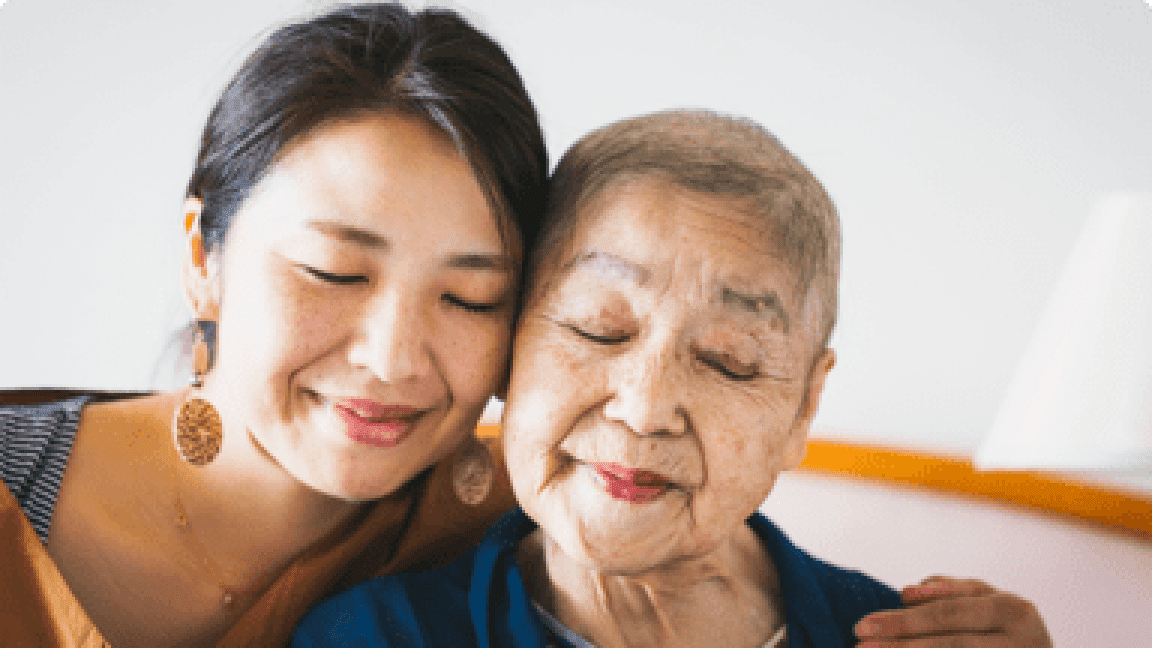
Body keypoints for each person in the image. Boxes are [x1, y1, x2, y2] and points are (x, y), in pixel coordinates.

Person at [292, 110, 1053, 648]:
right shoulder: (379, 635)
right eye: (598, 328)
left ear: (803, 408)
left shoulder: (893, 634)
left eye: (729, 361)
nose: (646, 408)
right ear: (510, 348)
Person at [0, 4, 545, 646]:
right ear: (202, 259)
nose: (392, 359)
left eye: (469, 298)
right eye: (333, 272)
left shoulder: (543, 514)